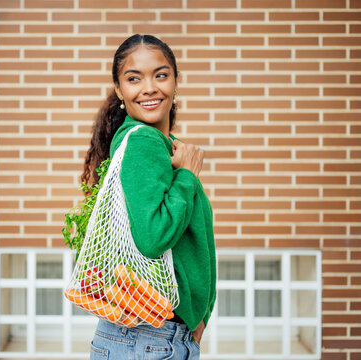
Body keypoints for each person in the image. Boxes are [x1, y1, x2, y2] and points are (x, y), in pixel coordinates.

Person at [81, 34, 216, 359]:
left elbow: (195, 243)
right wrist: (186, 176)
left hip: (154, 338)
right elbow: (153, 236)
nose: (149, 87)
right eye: (133, 78)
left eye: (160, 74)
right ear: (119, 90)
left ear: (175, 81)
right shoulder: (145, 143)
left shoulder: (163, 144)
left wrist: (199, 317)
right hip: (148, 340)